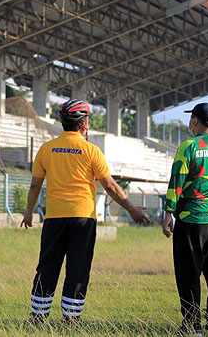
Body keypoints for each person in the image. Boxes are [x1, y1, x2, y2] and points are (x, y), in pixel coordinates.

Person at [21, 99, 149, 324]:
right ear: (83, 124)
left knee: (47, 266)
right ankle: (71, 319)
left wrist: (28, 212)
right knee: (78, 268)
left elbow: (35, 186)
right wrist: (133, 210)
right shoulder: (91, 150)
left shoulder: (46, 149)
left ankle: (37, 317)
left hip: (54, 218)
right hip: (83, 218)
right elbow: (110, 186)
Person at [162, 102, 208, 334]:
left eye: (191, 119)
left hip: (192, 219)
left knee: (188, 273)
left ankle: (191, 327)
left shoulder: (189, 146)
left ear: (195, 121)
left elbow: (177, 180)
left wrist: (168, 213)